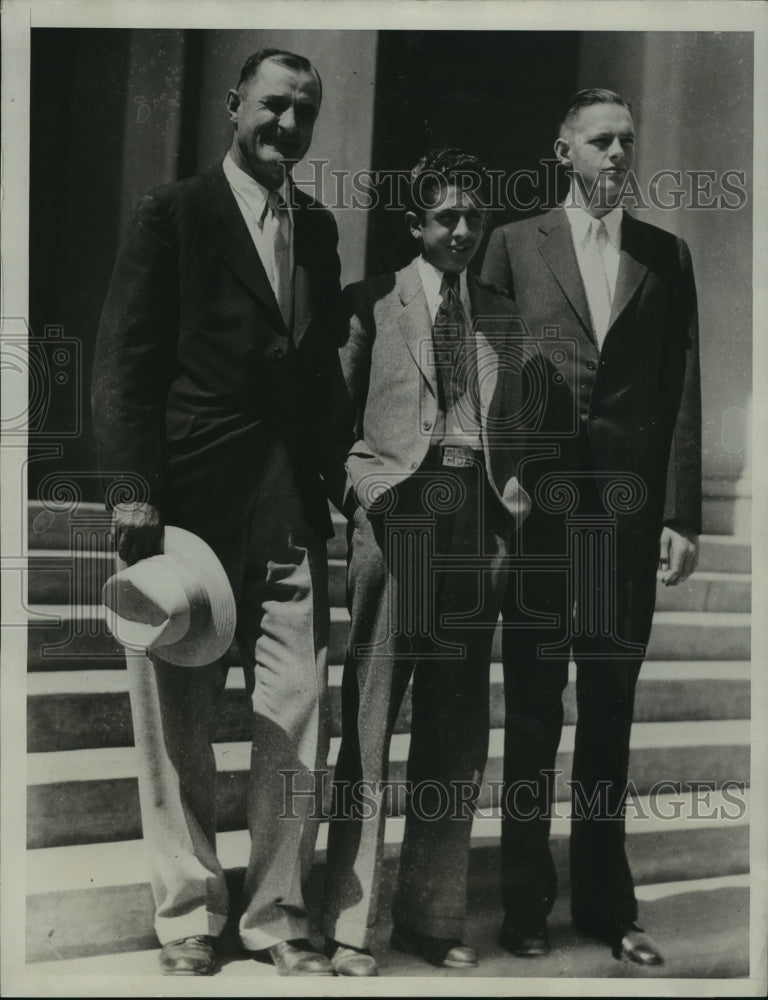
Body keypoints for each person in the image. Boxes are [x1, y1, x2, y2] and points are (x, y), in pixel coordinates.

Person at [92, 48, 350, 977]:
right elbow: (126, 359)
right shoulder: (174, 213)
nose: (289, 126)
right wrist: (132, 490)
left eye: (306, 113)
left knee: (296, 706)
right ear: (234, 106)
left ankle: (277, 911)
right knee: (179, 720)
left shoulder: (316, 229)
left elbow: (319, 378)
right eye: (275, 107)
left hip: (287, 510)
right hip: (190, 508)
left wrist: (344, 481)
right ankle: (189, 914)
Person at [481, 88, 701, 966]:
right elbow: (485, 366)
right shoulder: (511, 245)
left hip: (625, 519)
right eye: (601, 141)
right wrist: (504, 469)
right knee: (534, 716)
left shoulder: (665, 256)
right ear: (563, 150)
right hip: (539, 516)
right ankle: (525, 906)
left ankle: (609, 909)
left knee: (610, 716)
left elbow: (683, 391)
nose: (618, 155)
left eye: (628, 142)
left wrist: (681, 512)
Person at [320, 148, 531, 976]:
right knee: (370, 722)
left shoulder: (504, 318)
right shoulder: (372, 302)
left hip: (474, 525)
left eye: (473, 217)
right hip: (397, 521)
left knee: (455, 725)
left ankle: (431, 916)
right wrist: (368, 494)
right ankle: (350, 925)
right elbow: (330, 423)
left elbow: (516, 430)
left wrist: (509, 514)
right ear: (415, 225)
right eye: (445, 217)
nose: (462, 231)